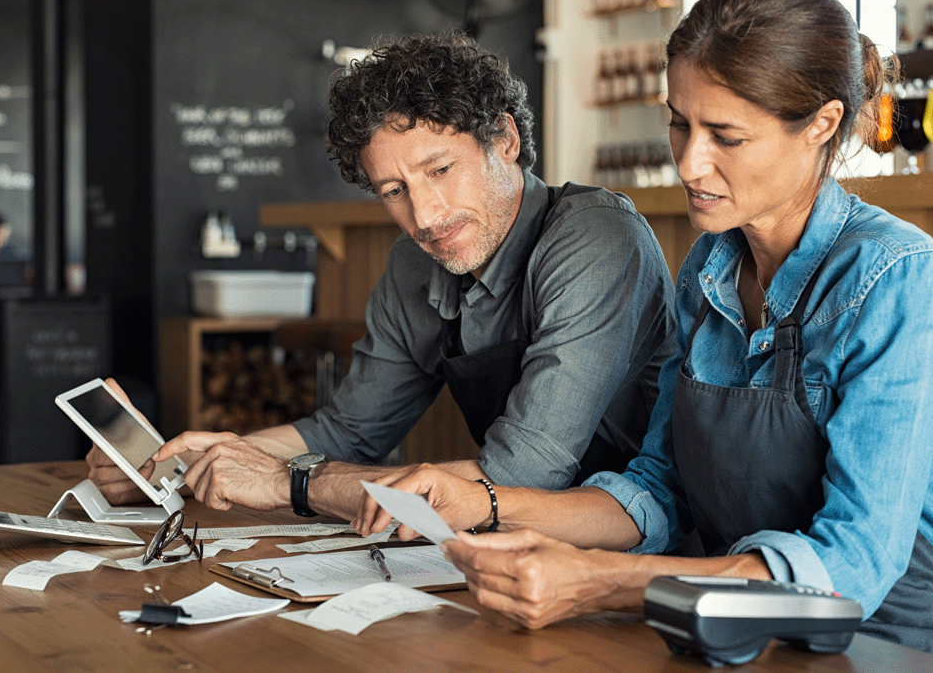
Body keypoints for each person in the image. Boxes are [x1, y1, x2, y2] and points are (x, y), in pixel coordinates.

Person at [354, 0, 933, 652]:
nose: (689, 163)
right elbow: (659, 490)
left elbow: (853, 565)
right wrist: (483, 503)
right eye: (679, 124)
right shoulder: (708, 270)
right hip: (723, 631)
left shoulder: (897, 279)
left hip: (880, 645)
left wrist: (603, 582)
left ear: (822, 125)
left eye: (725, 136)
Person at [87, 31, 676, 522]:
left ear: (505, 140)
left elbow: (519, 476)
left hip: (640, 545)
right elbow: (348, 430)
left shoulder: (596, 238)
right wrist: (184, 463)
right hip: (513, 550)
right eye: (394, 191)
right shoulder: (415, 263)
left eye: (441, 169)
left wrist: (288, 484)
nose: (425, 216)